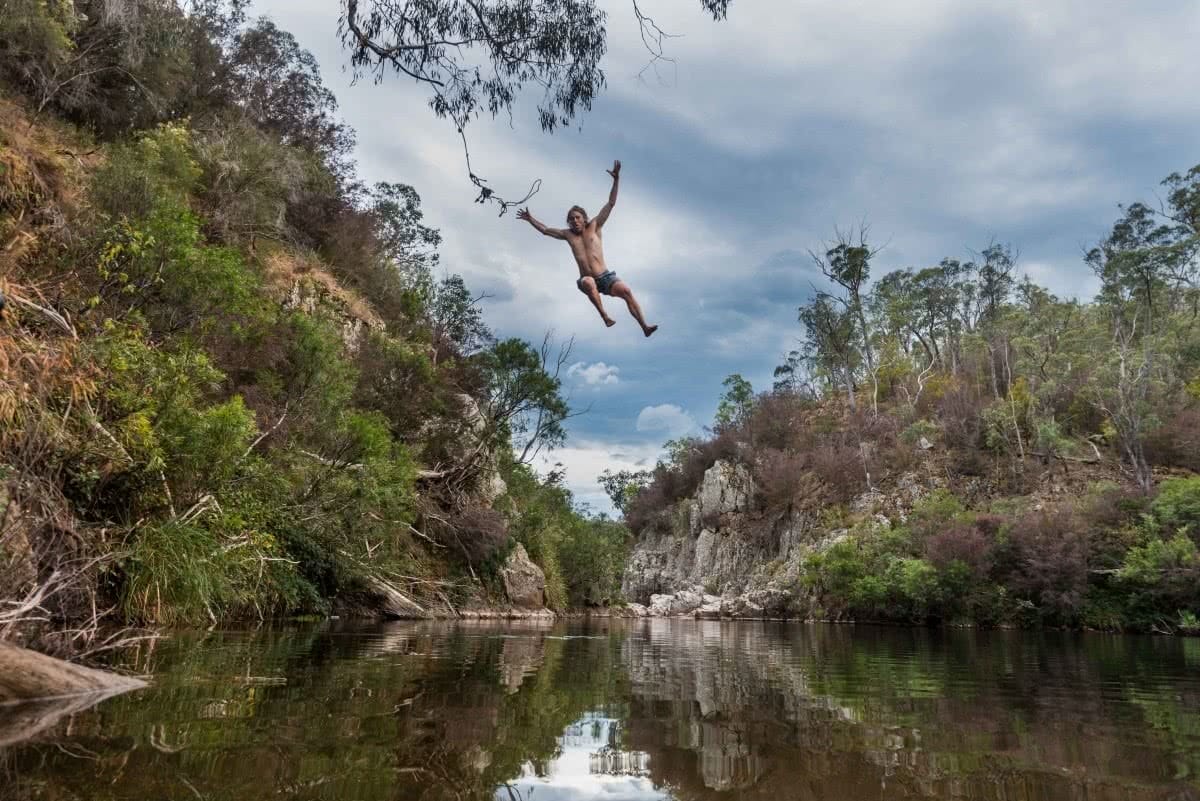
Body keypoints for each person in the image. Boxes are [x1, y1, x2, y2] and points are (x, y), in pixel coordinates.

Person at [517, 160, 658, 336]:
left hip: (606, 278)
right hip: (587, 279)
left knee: (627, 291)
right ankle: (605, 317)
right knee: (589, 282)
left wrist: (616, 180)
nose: (574, 221)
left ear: (584, 218)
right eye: (571, 219)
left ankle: (644, 327)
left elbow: (611, 203)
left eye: (577, 217)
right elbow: (545, 230)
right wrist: (531, 219)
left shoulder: (595, 226)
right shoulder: (567, 234)